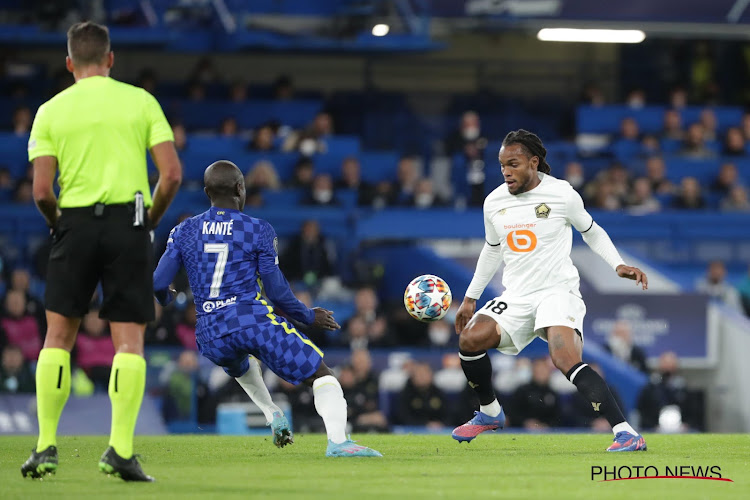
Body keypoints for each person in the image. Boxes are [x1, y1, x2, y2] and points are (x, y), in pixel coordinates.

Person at [22, 22, 182, 481]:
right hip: (128, 223)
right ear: (110, 60)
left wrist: (58, 226)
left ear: (69, 63)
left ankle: (45, 447)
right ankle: (120, 451)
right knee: (128, 342)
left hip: (72, 222)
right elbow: (170, 174)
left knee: (57, 338)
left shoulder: (50, 110)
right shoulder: (140, 101)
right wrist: (149, 221)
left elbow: (40, 191)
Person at [153, 160, 381, 458]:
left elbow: (158, 281)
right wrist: (308, 316)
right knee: (322, 375)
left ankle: (272, 413)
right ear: (240, 188)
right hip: (251, 321)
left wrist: (166, 299)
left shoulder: (183, 230)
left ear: (207, 191)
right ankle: (338, 442)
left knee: (242, 365)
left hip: (209, 332)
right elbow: (276, 291)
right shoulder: (256, 230)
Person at [452, 129, 648, 452]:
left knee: (564, 356)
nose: (506, 172)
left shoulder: (562, 194)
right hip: (516, 295)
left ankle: (625, 432)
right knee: (470, 339)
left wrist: (618, 265)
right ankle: (489, 413)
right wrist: (471, 297)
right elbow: (491, 249)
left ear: (533, 162)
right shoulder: (494, 202)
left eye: (513, 164)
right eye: (502, 165)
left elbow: (592, 231)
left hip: (557, 291)